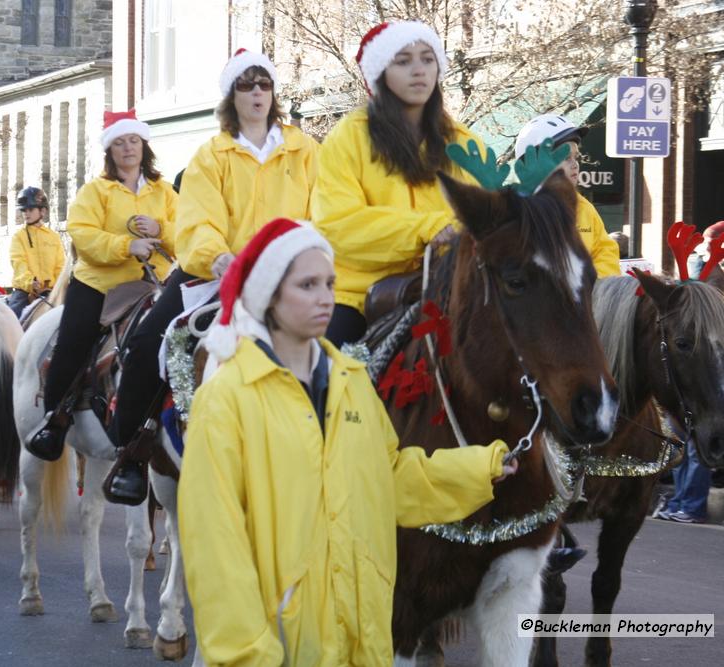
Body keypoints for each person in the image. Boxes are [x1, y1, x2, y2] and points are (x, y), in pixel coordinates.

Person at [179, 218, 515, 665]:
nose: (326, 297)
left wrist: (480, 468)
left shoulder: (352, 383)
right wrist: (246, 654)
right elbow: (216, 546)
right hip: (277, 647)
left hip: (362, 639)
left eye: (330, 282)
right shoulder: (226, 399)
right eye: (307, 284)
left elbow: (389, 477)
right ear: (268, 297)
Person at [105, 48, 320, 504]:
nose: (258, 93)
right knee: (146, 344)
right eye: (247, 85)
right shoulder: (210, 155)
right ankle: (131, 451)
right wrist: (218, 255)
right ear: (231, 95)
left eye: (265, 84)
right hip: (217, 272)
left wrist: (308, 258)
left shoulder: (306, 151)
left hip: (290, 275)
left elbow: (323, 212)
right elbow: (197, 220)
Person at [312, 20, 486, 347]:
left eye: (427, 58)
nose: (418, 70)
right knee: (322, 371)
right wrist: (426, 229)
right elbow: (336, 224)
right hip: (359, 296)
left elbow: (486, 215)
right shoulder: (349, 136)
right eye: (403, 61)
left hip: (453, 291)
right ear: (381, 73)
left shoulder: (463, 143)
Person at [26, 110, 176, 459]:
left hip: (152, 284)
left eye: (134, 141)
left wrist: (160, 231)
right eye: (120, 143)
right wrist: (128, 245)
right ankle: (55, 418)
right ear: (110, 151)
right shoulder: (95, 191)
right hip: (99, 283)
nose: (128, 149)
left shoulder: (164, 192)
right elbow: (83, 234)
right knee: (73, 341)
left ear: (144, 146)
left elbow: (187, 234)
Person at [514, 114, 620, 278]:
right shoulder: (517, 210)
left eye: (576, 157)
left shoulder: (584, 208)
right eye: (565, 157)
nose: (575, 164)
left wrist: (590, 282)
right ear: (533, 163)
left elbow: (605, 251)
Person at [7, 186, 65, 319]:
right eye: (24, 210)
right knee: (12, 320)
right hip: (25, 292)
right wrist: (31, 283)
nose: (26, 213)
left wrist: (57, 287)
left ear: (42, 211)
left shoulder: (54, 237)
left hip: (52, 292)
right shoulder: (18, 237)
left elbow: (60, 266)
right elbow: (18, 264)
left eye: (30, 209)